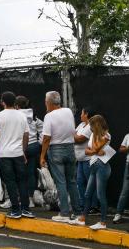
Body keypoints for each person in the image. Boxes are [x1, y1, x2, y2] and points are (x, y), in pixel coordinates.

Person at [40, 91, 81, 223]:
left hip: (56, 149)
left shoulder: (49, 116)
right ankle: (77, 212)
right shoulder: (68, 111)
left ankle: (64, 213)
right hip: (70, 148)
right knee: (72, 181)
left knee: (61, 182)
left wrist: (42, 156)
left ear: (50, 103)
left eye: (46, 101)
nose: (45, 104)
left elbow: (46, 138)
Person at [0, 91, 34, 219]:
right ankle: (26, 208)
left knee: (10, 181)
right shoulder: (21, 116)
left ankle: (15, 210)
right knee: (22, 181)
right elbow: (26, 135)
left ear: (2, 102)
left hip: (4, 154)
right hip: (18, 153)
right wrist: (23, 151)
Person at [70, 115, 114, 230]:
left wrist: (93, 150)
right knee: (87, 194)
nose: (91, 129)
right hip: (93, 165)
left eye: (92, 126)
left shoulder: (106, 135)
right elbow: (87, 150)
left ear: (97, 125)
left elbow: (94, 148)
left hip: (102, 167)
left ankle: (103, 222)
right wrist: (94, 151)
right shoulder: (94, 135)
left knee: (100, 194)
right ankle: (83, 218)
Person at [16, 95, 44, 208]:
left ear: (17, 105)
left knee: (19, 174)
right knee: (31, 173)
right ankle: (31, 199)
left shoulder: (17, 115)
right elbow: (42, 128)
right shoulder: (34, 116)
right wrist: (39, 142)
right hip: (33, 146)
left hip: (19, 147)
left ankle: (21, 199)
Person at [74, 107, 99, 215]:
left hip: (88, 159)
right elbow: (75, 136)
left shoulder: (90, 126)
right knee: (80, 182)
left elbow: (79, 139)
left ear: (86, 114)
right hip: (80, 160)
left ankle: (94, 206)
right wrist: (74, 136)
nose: (80, 115)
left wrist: (73, 136)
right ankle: (84, 205)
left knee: (91, 183)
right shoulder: (81, 125)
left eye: (82, 113)